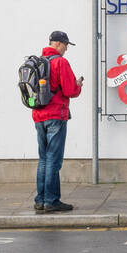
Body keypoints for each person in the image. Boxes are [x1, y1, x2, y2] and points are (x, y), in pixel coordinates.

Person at [33, 30, 83, 213]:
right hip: (56, 115)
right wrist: (78, 85)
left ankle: (40, 200)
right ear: (58, 44)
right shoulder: (60, 62)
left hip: (39, 116)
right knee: (54, 159)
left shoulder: (38, 62)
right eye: (66, 45)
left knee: (44, 159)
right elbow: (70, 90)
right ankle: (52, 201)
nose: (66, 49)